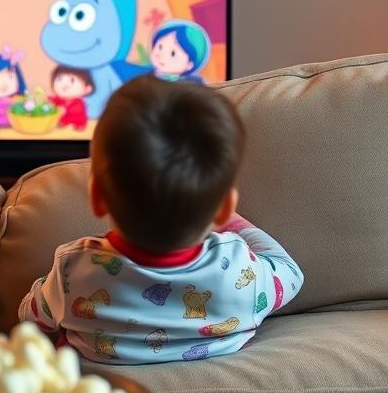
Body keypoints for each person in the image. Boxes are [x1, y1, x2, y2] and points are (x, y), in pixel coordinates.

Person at [19, 76, 303, 364]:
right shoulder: (241, 272)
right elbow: (290, 273)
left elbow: (30, 317)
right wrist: (229, 220)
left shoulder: (73, 268)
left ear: (96, 196)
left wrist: (45, 289)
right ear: (225, 206)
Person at [49, 65, 93, 130]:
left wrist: (65, 109)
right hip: (64, 117)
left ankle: (80, 125)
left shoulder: (78, 102)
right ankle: (63, 122)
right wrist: (49, 100)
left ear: (87, 89)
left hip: (77, 118)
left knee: (79, 123)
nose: (64, 84)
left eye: (72, 80)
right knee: (61, 120)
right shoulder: (59, 98)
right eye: (59, 79)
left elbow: (77, 110)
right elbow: (54, 101)